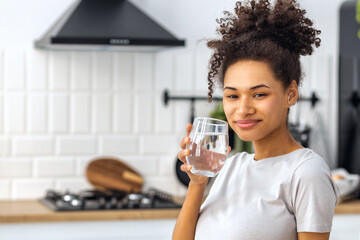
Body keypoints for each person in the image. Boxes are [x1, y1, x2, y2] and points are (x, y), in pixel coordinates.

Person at [172, 0, 339, 240]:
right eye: (232, 96)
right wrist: (198, 183)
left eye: (259, 94)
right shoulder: (231, 167)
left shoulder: (306, 172)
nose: (243, 109)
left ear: (290, 94)